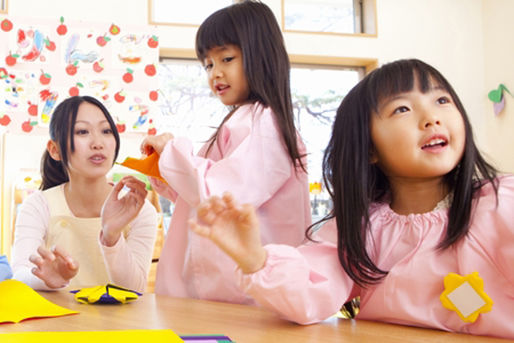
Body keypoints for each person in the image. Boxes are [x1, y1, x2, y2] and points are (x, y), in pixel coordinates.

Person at [189, 59, 514, 339]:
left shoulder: (500, 203)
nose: (432, 118)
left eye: (442, 101)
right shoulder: (359, 228)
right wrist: (256, 260)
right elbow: (308, 295)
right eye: (402, 108)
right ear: (369, 148)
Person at [141, 0, 311, 303]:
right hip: (222, 288)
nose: (215, 73)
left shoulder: (265, 122)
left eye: (227, 58)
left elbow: (224, 194)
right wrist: (165, 170)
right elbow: (203, 193)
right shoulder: (243, 120)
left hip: (243, 292)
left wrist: (172, 154)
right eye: (208, 64)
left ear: (261, 56)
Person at [12, 96, 157, 292]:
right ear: (55, 150)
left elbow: (135, 288)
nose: (98, 143)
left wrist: (112, 238)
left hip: (121, 323)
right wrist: (47, 279)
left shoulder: (139, 209)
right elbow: (19, 275)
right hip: (57, 321)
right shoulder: (39, 204)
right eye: (82, 131)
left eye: (106, 131)